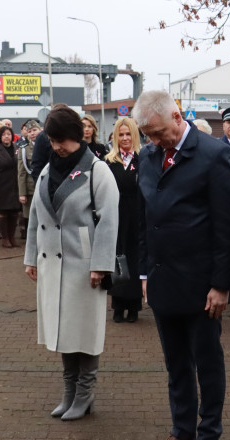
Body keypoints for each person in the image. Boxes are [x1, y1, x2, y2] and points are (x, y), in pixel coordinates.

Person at [133, 90, 230, 440]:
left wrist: (221, 284)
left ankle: (208, 436)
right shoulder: (147, 157)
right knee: (175, 362)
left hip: (201, 285)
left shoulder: (213, 155)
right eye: (148, 135)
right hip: (163, 280)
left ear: (177, 117)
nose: (154, 141)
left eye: (159, 132)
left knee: (206, 362)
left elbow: (228, 227)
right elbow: (147, 221)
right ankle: (182, 430)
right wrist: (144, 273)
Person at [24, 106, 119, 421]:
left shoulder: (98, 170)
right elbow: (36, 217)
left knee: (85, 330)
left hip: (85, 265)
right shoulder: (47, 170)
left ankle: (85, 393)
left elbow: (109, 221)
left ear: (77, 137)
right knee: (63, 329)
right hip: (52, 263)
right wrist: (30, 257)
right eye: (52, 140)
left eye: (61, 140)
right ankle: (69, 393)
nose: (56, 147)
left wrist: (101, 264)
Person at [104, 116, 144, 323]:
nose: (125, 138)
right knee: (118, 260)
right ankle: (117, 305)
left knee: (135, 260)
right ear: (115, 137)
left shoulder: (143, 159)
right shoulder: (108, 161)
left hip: (137, 217)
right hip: (116, 216)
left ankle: (134, 307)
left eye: (129, 134)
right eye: (121, 134)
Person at [0, 125, 22, 248]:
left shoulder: (16, 148)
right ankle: (5, 238)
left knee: (14, 212)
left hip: (15, 185)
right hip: (1, 185)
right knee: (3, 212)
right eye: (4, 135)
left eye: (8, 134)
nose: (7, 137)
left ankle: (12, 237)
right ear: (0, 137)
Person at [17, 120, 42, 240]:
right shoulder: (24, 149)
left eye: (35, 130)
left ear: (40, 130)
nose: (32, 133)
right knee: (30, 217)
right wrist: (22, 193)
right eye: (29, 131)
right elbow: (21, 172)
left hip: (44, 186)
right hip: (31, 188)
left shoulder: (47, 145)